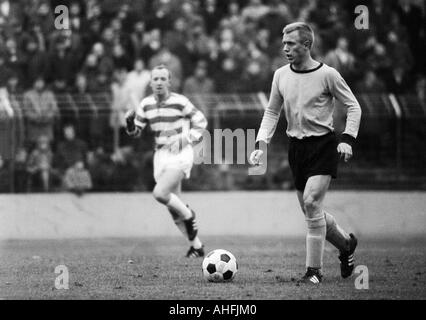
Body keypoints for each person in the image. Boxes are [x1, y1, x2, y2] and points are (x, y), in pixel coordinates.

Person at [250, 22, 362, 284]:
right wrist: (260, 144)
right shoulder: (280, 75)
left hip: (323, 145)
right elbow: (272, 112)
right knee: (313, 212)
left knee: (312, 203)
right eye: (284, 42)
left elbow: (353, 106)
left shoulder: (328, 74)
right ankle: (346, 246)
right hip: (296, 148)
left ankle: (314, 272)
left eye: (290, 43)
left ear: (307, 45)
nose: (285, 47)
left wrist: (347, 139)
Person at [125, 65, 207, 258]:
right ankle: (197, 246)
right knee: (173, 209)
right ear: (151, 83)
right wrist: (129, 122)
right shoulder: (145, 104)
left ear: (170, 82)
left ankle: (189, 215)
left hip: (180, 153)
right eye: (156, 79)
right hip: (160, 155)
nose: (159, 82)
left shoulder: (180, 102)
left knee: (160, 193)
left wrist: (186, 139)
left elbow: (201, 122)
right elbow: (136, 132)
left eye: (163, 79)